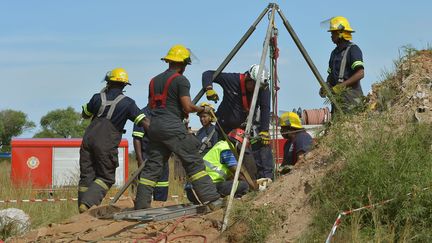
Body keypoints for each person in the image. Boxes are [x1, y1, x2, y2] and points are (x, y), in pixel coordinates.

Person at [134, 44, 221, 210]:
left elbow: (155, 105)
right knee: (193, 161)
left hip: (154, 127)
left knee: (152, 167)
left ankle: (141, 205)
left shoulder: (154, 81)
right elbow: (188, 106)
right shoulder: (181, 80)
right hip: (172, 127)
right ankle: (212, 199)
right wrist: (204, 109)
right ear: (182, 64)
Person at [79, 68, 147, 213]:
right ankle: (87, 204)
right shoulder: (128, 103)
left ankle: (82, 209)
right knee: (106, 177)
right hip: (106, 143)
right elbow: (143, 121)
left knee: (87, 176)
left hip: (88, 140)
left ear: (108, 82)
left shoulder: (97, 98)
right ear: (124, 86)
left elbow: (85, 114)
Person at [202, 64, 274, 180]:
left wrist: (265, 130)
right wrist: (209, 88)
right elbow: (208, 73)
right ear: (248, 78)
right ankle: (222, 185)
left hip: (243, 130)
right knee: (224, 159)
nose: (256, 90)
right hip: (224, 129)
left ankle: (261, 181)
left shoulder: (263, 87)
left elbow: (265, 108)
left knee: (255, 153)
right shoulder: (233, 80)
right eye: (254, 86)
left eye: (258, 87)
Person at [186, 128, 253, 204]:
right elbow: (237, 172)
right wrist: (251, 187)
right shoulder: (227, 148)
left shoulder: (220, 145)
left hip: (195, 191)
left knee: (233, 183)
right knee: (243, 185)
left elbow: (229, 175)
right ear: (237, 144)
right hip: (203, 190)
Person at [320, 16, 365, 113]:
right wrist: (326, 86)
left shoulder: (353, 50)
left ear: (340, 33)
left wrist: (341, 86)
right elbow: (331, 76)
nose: (331, 36)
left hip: (352, 100)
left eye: (333, 33)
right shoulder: (334, 53)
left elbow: (361, 73)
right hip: (338, 101)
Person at [132, 106, 169, 202]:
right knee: (145, 190)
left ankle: (160, 209)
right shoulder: (142, 114)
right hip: (147, 160)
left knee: (162, 186)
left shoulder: (166, 113)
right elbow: (137, 138)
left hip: (163, 160)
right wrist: (140, 160)